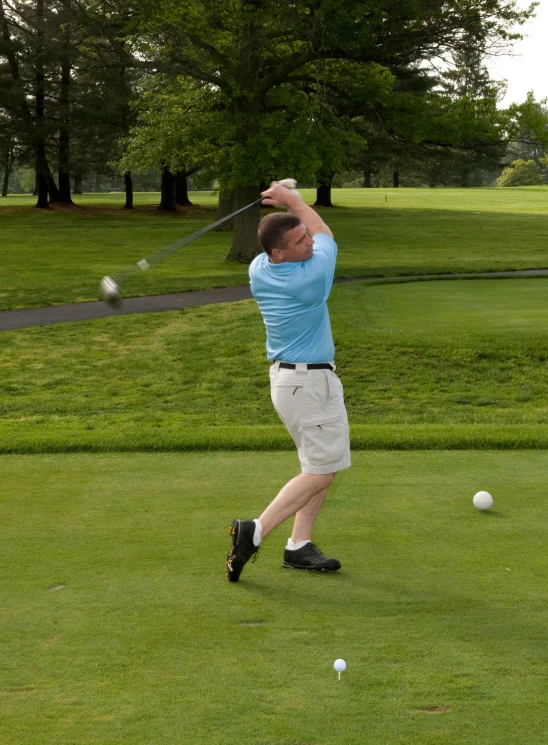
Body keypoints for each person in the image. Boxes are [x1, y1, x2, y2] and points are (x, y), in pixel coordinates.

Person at [226, 181, 351, 582]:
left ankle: (299, 544)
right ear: (279, 252)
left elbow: (307, 234)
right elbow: (326, 233)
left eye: (305, 236)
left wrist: (284, 197)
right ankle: (256, 530)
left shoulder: (260, 267)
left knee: (318, 463)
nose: (309, 242)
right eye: (300, 242)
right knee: (323, 471)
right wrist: (293, 199)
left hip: (290, 384)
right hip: (310, 385)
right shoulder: (309, 279)